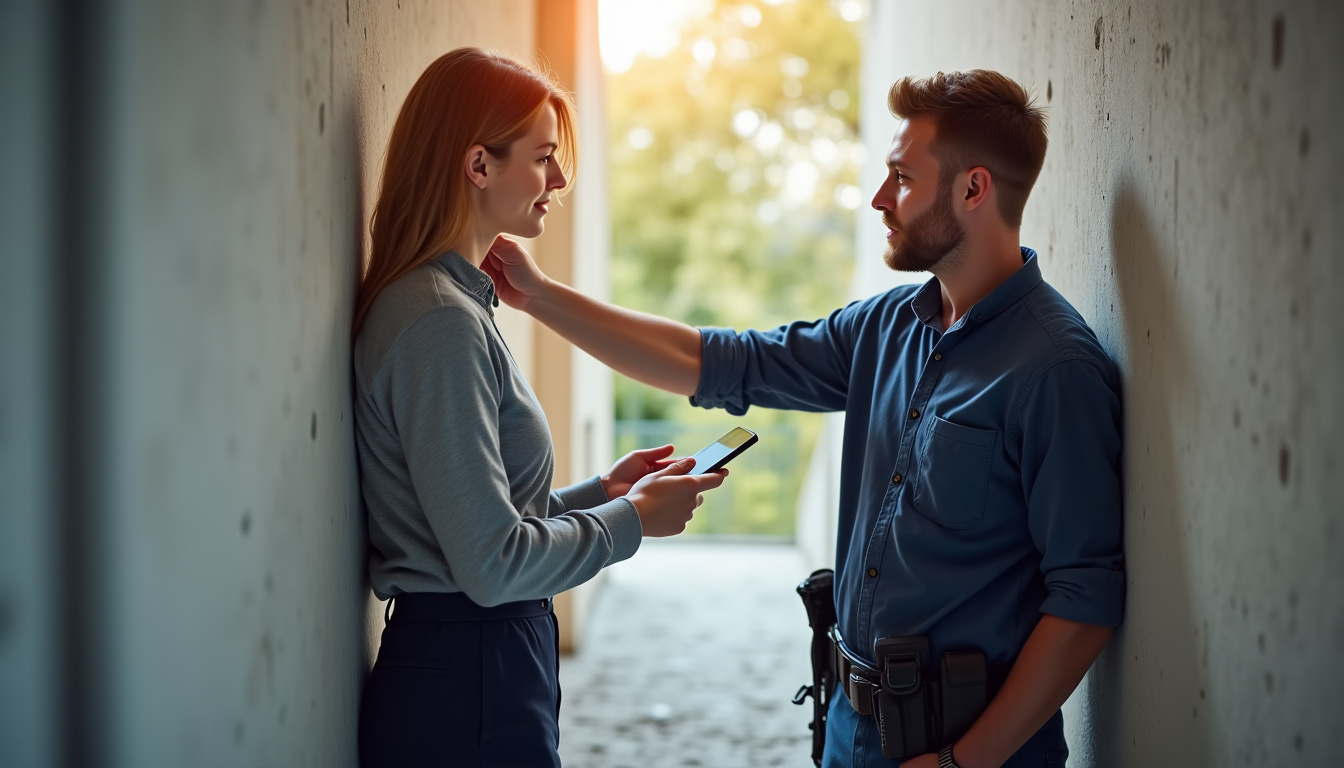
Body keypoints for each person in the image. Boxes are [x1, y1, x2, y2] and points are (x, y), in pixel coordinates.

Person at [484, 70, 1125, 767]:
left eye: (903, 179)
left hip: (967, 749)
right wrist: (540, 297)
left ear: (974, 189)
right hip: (849, 728)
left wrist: (962, 762)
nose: (881, 199)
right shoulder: (886, 327)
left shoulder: (1055, 370)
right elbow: (716, 362)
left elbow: (1085, 600)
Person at [352, 47, 727, 768]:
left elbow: (468, 518)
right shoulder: (438, 322)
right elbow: (491, 564)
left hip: (476, 661)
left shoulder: (453, 306)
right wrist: (634, 520)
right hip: (470, 671)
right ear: (478, 165)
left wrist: (601, 494)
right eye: (544, 157)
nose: (558, 180)